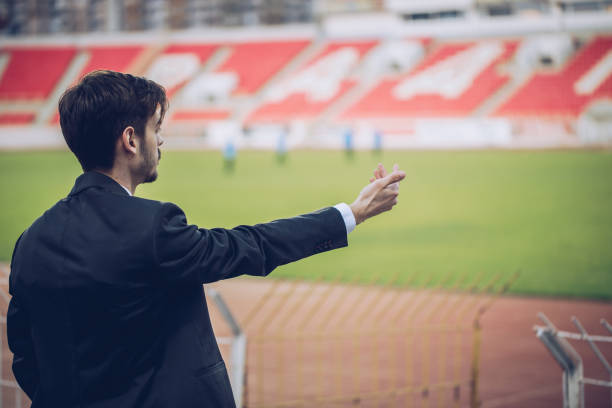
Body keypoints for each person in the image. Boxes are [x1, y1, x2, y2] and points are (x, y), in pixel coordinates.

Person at [7, 70, 405, 408]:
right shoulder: (153, 227)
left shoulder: (31, 241)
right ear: (130, 140)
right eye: (155, 129)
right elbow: (252, 246)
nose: (159, 141)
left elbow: (24, 357)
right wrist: (352, 213)